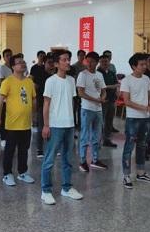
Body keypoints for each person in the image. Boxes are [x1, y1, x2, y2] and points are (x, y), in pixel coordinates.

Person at [40, 51, 84, 205]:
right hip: (55, 125)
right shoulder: (51, 81)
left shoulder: (71, 80)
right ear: (56, 64)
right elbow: (46, 104)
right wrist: (46, 125)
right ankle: (45, 190)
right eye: (64, 60)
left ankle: (66, 188)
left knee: (67, 158)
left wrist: (73, 121)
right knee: (49, 159)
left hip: (69, 125)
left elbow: (70, 102)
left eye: (68, 59)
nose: (68, 62)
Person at [120, 53, 150, 189]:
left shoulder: (146, 79)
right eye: (142, 64)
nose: (145, 66)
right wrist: (146, 108)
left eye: (145, 64)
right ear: (134, 66)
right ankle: (126, 175)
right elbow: (127, 101)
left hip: (145, 118)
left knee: (142, 145)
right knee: (129, 146)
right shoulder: (127, 80)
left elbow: (148, 97)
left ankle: (141, 172)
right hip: (133, 118)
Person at [0, 53, 36, 187]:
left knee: (24, 149)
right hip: (12, 124)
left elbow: (33, 99)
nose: (23, 64)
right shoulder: (8, 82)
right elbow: (0, 102)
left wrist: (34, 115)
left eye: (23, 62)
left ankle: (22, 172)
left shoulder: (29, 82)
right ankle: (7, 174)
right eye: (19, 62)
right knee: (10, 150)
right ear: (13, 66)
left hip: (26, 123)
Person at [76, 52, 108, 171]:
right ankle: (82, 161)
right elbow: (80, 93)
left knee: (97, 136)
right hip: (87, 108)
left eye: (92, 61)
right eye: (87, 61)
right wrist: (96, 99)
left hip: (98, 109)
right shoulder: (83, 75)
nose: (89, 64)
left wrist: (102, 98)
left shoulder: (99, 75)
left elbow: (103, 90)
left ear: (97, 62)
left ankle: (95, 160)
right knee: (85, 135)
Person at [30, 51, 48, 157]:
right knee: (41, 125)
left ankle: (53, 147)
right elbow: (31, 80)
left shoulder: (52, 74)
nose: (42, 58)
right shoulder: (35, 68)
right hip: (40, 99)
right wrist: (34, 86)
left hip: (51, 102)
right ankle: (39, 149)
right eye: (40, 56)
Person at [97, 54, 118, 148]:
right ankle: (97, 140)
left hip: (112, 99)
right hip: (102, 100)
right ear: (99, 62)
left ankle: (107, 139)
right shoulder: (97, 73)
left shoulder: (111, 73)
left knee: (109, 121)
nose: (105, 63)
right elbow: (100, 87)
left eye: (106, 61)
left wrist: (112, 87)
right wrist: (111, 86)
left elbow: (116, 84)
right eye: (102, 61)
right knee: (100, 121)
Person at [0, 48, 13, 147]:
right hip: (5, 97)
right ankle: (3, 137)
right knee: (3, 118)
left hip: (15, 98)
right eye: (7, 56)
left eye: (10, 55)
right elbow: (1, 83)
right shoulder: (2, 68)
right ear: (4, 57)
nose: (9, 57)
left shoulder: (14, 67)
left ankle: (11, 136)